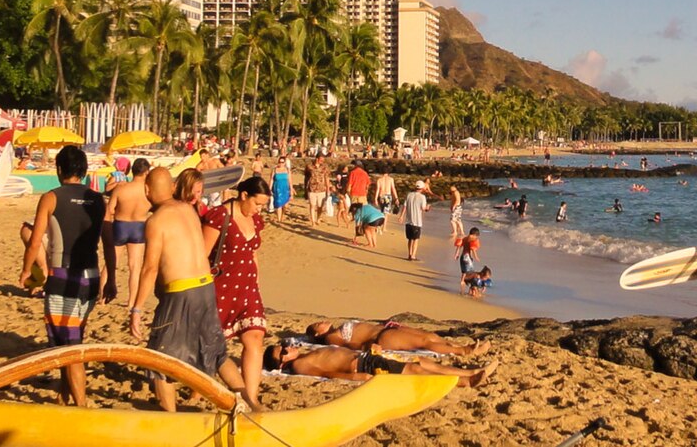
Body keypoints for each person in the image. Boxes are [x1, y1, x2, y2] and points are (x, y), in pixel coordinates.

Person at [130, 168, 247, 412]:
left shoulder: (156, 221)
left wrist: (137, 308)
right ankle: (251, 404)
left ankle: (171, 418)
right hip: (205, 287)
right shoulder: (188, 210)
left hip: (182, 292)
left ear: (146, 191)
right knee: (216, 352)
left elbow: (150, 268)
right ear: (173, 187)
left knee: (160, 358)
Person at [21, 145, 115, 406]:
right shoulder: (98, 200)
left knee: (70, 348)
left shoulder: (52, 197)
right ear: (84, 170)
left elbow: (35, 240)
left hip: (64, 277)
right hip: (91, 276)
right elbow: (109, 242)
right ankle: (63, 399)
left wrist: (27, 271)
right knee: (70, 338)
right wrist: (113, 279)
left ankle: (82, 408)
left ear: (59, 169)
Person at [205, 175, 271, 412]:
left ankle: (251, 399)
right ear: (244, 195)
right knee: (214, 344)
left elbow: (253, 253)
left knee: (254, 338)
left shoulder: (255, 220)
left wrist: (257, 282)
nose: (259, 209)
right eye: (257, 203)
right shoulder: (219, 217)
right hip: (221, 286)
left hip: (248, 286)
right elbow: (203, 254)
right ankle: (197, 387)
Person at [264, 343, 495, 387]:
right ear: (282, 362)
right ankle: (463, 382)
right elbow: (327, 373)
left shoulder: (303, 356)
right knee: (414, 370)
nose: (288, 348)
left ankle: (471, 372)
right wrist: (356, 378)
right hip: (364, 367)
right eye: (283, 351)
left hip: (366, 358)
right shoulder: (299, 366)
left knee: (419, 361)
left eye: (284, 345)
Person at [106, 158, 153, 311]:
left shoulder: (121, 188)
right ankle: (131, 302)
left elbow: (110, 209)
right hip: (138, 226)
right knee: (135, 267)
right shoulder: (148, 192)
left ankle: (102, 298)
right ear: (146, 172)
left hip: (121, 224)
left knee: (111, 263)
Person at [306, 318, 489, 356]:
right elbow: (349, 346)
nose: (321, 321)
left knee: (431, 335)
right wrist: (368, 347)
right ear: (317, 333)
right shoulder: (331, 338)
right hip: (383, 338)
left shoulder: (337, 327)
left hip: (385, 330)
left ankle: (466, 346)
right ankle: (463, 351)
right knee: (424, 342)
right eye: (317, 324)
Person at [401, 181, 430, 261]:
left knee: (410, 239)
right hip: (417, 221)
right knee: (416, 239)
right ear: (422, 188)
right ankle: (413, 255)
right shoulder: (422, 197)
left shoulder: (409, 195)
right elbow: (424, 208)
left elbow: (404, 206)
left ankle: (409, 254)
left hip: (408, 220)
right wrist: (428, 208)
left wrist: (401, 216)